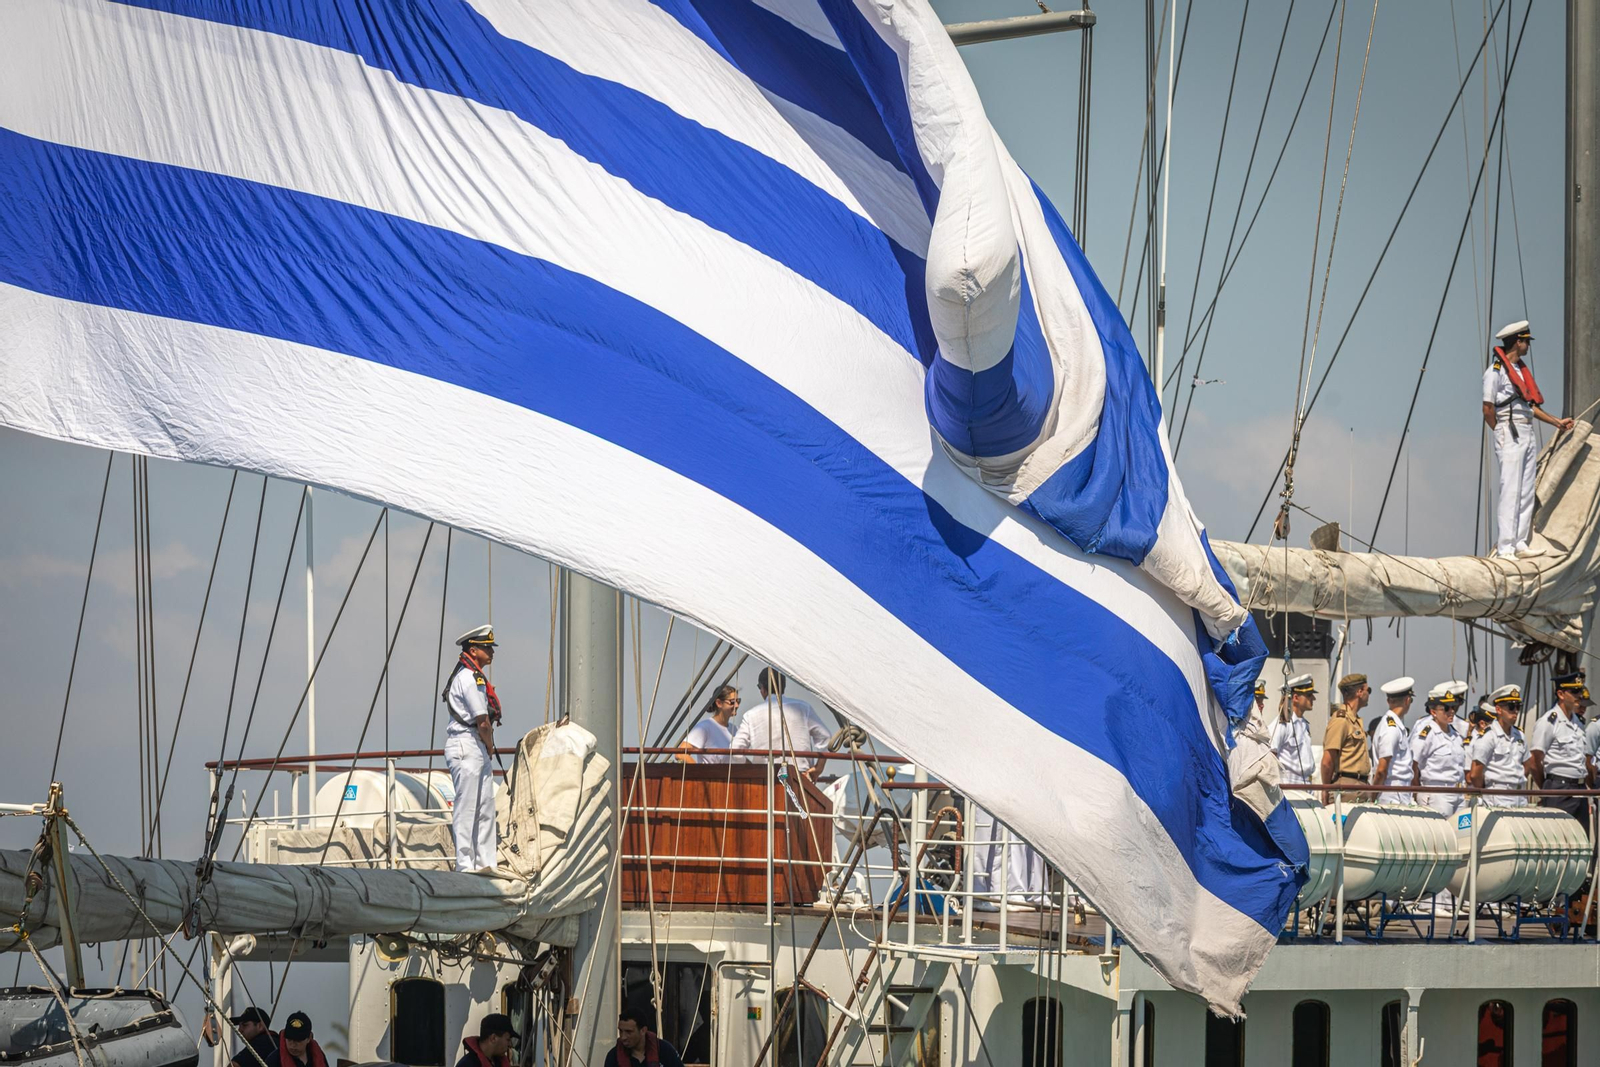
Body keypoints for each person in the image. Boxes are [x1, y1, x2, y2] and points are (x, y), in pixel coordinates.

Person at [1481, 320, 1574, 559]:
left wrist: (1556, 422)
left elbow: (1529, 407)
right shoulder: (1495, 373)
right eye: (1526, 341)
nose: (1528, 346)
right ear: (1517, 342)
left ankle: (1520, 543)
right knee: (1510, 489)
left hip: (1526, 431)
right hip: (1508, 431)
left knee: (1524, 490)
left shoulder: (1521, 372)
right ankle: (1505, 548)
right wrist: (1500, 431)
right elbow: (1488, 408)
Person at [443, 624, 502, 873]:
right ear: (473, 649)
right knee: (467, 806)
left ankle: (486, 862)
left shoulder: (473, 676)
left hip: (474, 745)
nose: (491, 652)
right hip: (468, 744)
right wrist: (489, 746)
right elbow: (483, 722)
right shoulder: (469, 678)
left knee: (485, 806)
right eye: (487, 647)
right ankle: (465, 864)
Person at [1411, 685, 1472, 914]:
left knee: (1455, 848)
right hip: (1435, 792)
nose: (1451, 712)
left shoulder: (1454, 733)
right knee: (1437, 846)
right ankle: (1429, 901)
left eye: (1454, 707)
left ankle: (1449, 900)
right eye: (1446, 708)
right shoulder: (1426, 731)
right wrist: (1417, 792)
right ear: (1433, 710)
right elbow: (1414, 764)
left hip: (1456, 794)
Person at [729, 668, 833, 781]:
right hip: (800, 777)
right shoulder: (803, 708)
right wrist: (818, 768)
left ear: (763, 689)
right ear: (783, 687)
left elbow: (735, 750)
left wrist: (753, 768)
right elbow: (825, 736)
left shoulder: (750, 715)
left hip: (764, 778)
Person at [1529, 671, 1596, 826]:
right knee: (1560, 840)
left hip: (1580, 789)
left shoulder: (1577, 723)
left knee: (1581, 842)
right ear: (1561, 694)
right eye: (1574, 691)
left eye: (1580, 690)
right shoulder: (1548, 722)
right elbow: (1534, 761)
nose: (1579, 695)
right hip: (1559, 788)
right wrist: (1548, 787)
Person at [1469, 685, 1536, 807]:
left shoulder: (1520, 735)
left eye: (1518, 707)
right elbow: (1475, 773)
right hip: (1498, 796)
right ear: (1498, 710)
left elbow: (1527, 765)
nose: (1515, 711)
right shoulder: (1488, 736)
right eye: (1511, 707)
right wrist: (1488, 788)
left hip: (1520, 796)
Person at [1321, 673, 1374, 802]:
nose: (1369, 694)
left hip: (1360, 786)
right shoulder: (1341, 720)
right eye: (1368, 690)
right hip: (1346, 789)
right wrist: (1325, 791)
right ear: (1360, 692)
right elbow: (1327, 761)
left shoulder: (1354, 720)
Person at [1371, 677, 1417, 804]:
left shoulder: (1394, 725)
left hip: (1399, 792)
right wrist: (1373, 796)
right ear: (1408, 700)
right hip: (1393, 793)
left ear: (1388, 701)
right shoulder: (1391, 728)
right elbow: (1381, 770)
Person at [1270, 675, 1317, 786]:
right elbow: (1270, 754)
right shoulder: (1283, 724)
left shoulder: (1304, 725)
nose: (1313, 699)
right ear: (1295, 698)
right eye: (1309, 695)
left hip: (1306, 785)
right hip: (1289, 786)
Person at [676, 685, 740, 764]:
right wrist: (701, 773)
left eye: (738, 701)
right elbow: (681, 754)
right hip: (710, 775)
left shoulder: (736, 730)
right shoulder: (704, 727)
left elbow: (740, 759)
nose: (737, 705)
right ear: (719, 703)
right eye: (732, 702)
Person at [604, 1008, 685, 1067]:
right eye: (621, 1031)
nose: (623, 1037)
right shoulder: (613, 1057)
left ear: (643, 1030)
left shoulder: (665, 1051)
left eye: (629, 1032)